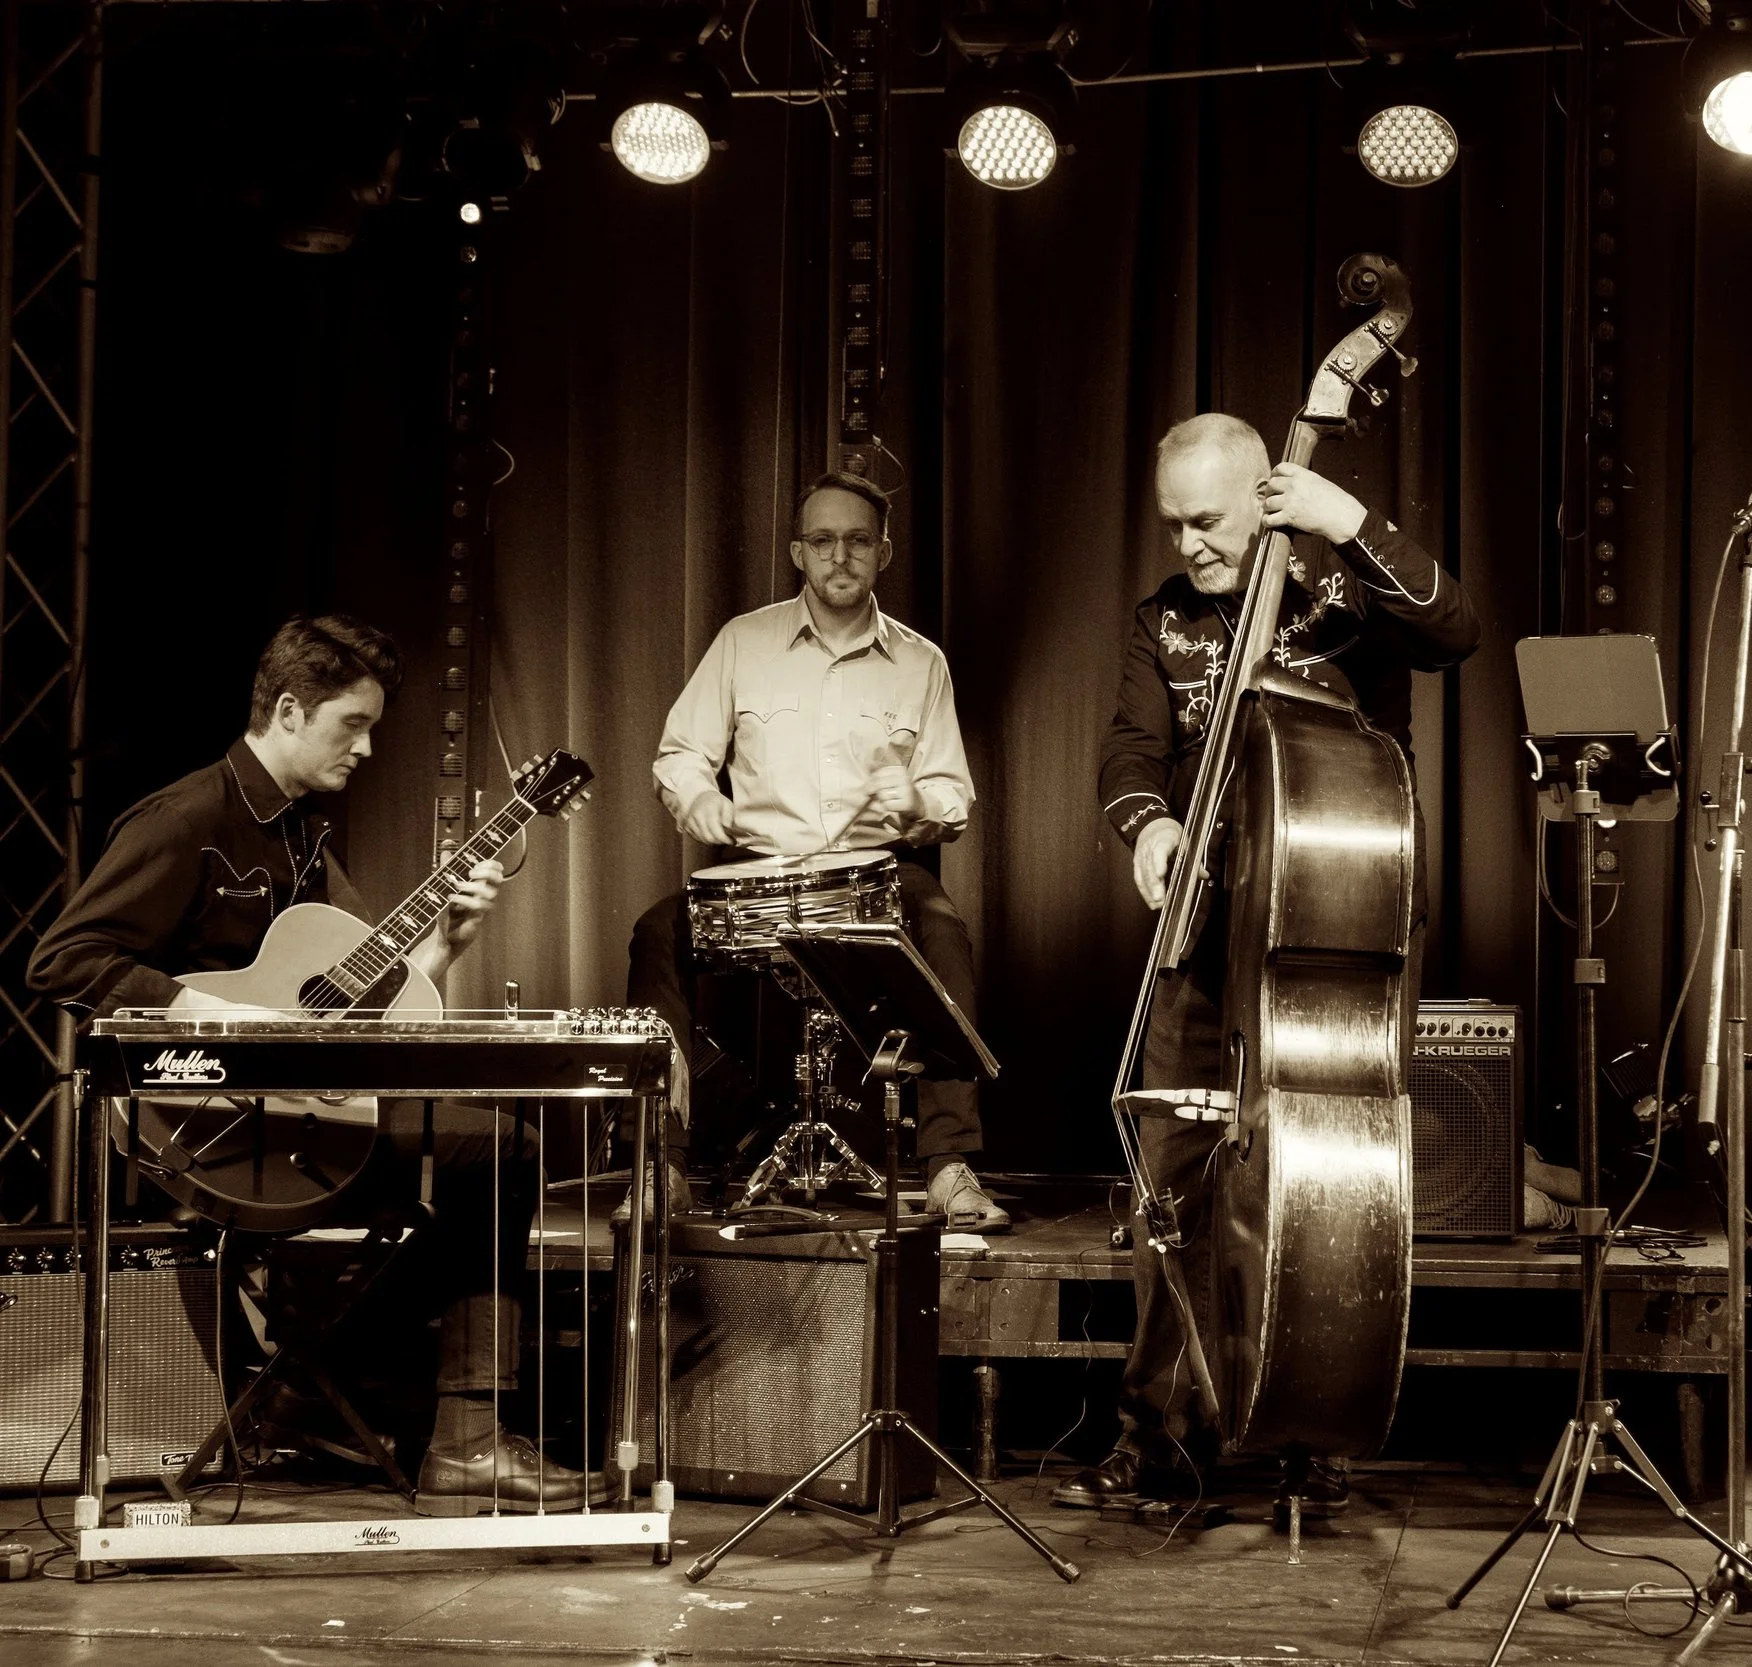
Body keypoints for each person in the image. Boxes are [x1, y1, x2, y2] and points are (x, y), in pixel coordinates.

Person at [28, 614, 608, 1515]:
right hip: (203, 1123)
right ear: (291, 710)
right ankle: (453, 1434)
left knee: (500, 1147)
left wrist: (451, 939)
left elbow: (360, 996)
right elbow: (62, 959)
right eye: (354, 724)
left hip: (291, 1112)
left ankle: (319, 1381)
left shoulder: (301, 836)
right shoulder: (186, 819)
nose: (369, 748)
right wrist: (228, 1021)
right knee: (502, 1156)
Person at [1055, 413, 1480, 1513]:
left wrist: (1347, 518)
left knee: (1327, 1187)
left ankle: (1310, 1426)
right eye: (1173, 523)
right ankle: (1159, 1436)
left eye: (1208, 519)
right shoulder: (1165, 620)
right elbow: (1129, 745)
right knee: (1174, 1184)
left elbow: (1455, 629)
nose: (1190, 542)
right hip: (1207, 922)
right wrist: (1148, 824)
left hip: (1338, 923)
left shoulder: (1345, 594)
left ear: (1265, 495)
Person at [632, 470, 1002, 1230]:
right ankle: (658, 1164)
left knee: (946, 930)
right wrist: (702, 799)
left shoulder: (921, 662)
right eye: (824, 540)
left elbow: (952, 795)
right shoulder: (744, 640)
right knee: (655, 932)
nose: (841, 556)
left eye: (859, 540)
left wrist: (920, 808)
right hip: (761, 868)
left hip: (875, 874)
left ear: (884, 552)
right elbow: (679, 755)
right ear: (799, 551)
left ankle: (949, 1165)